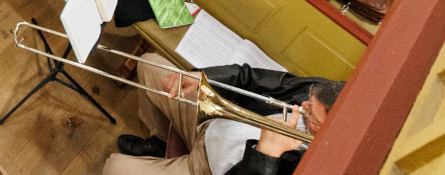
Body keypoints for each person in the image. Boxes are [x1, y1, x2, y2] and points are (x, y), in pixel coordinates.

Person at [107, 59, 341, 175]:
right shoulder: (319, 92)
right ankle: (159, 142)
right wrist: (204, 77)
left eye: (311, 115)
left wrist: (267, 155)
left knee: (113, 167)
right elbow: (248, 77)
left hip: (207, 168)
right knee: (150, 65)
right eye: (310, 99)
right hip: (213, 122)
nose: (303, 106)